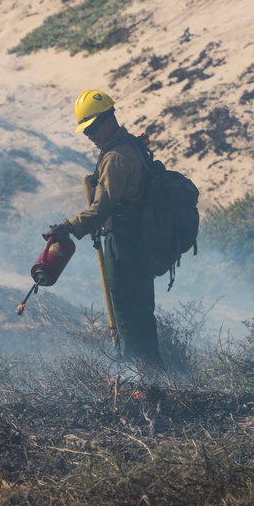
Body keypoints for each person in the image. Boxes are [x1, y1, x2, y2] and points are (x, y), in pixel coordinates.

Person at [44, 89, 161, 365]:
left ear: (109, 120)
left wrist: (68, 227)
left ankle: (139, 380)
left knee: (127, 315)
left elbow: (102, 208)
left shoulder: (116, 158)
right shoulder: (131, 146)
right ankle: (156, 376)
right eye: (86, 131)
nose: (90, 136)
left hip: (124, 246)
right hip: (138, 243)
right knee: (141, 313)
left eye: (93, 128)